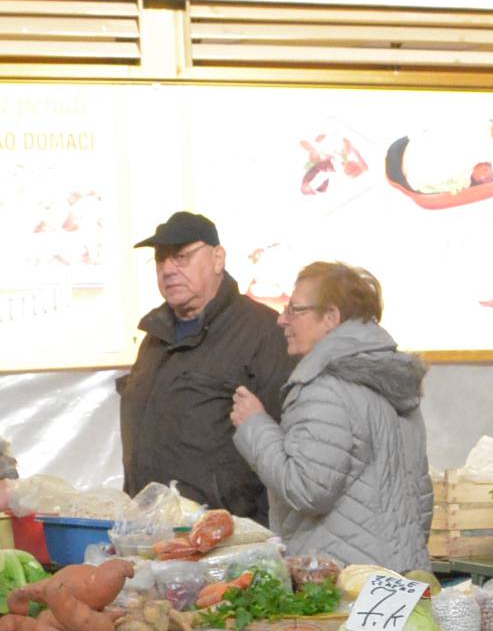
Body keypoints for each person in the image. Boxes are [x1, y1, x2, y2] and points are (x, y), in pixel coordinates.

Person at [229, 262, 432, 572]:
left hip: (344, 584)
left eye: (295, 310)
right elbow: (421, 497)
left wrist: (254, 425)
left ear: (330, 318)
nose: (282, 320)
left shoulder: (325, 389)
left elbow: (307, 490)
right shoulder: (389, 380)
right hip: (401, 574)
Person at [119, 211, 291, 525]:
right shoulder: (154, 338)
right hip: (150, 532)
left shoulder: (263, 332)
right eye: (161, 260)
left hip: (227, 538)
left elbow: (286, 440)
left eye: (181, 257)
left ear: (217, 258)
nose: (168, 269)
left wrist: (265, 536)